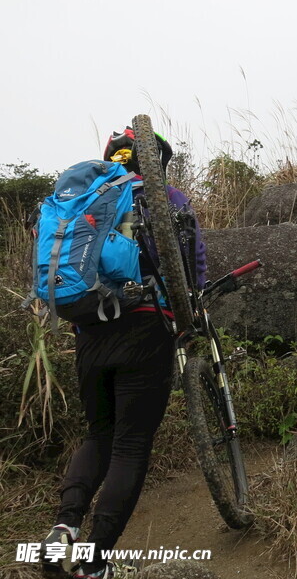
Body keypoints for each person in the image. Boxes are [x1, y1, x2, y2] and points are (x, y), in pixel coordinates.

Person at [42, 127, 206, 579]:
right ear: (156, 163)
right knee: (131, 445)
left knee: (98, 435)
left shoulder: (86, 201)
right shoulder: (166, 196)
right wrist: (192, 301)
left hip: (90, 330)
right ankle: (93, 566)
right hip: (145, 327)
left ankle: (64, 529)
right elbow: (193, 260)